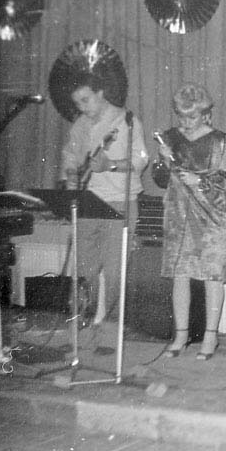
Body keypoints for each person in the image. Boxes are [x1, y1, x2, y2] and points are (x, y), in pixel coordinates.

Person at [154, 83, 226, 360]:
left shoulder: (219, 141)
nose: (186, 122)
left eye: (192, 117)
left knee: (212, 276)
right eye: (181, 116)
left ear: (205, 114)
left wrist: (200, 181)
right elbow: (159, 179)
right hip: (178, 214)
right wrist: (163, 162)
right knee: (180, 275)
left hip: (211, 216)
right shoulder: (170, 137)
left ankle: (210, 338)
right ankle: (181, 336)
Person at [60, 73, 149, 326]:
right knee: (83, 269)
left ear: (100, 93)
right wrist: (71, 176)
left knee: (113, 272)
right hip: (88, 201)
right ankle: (81, 324)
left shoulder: (126, 120)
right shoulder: (80, 124)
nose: (82, 107)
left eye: (85, 100)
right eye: (77, 103)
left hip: (120, 201)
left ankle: (107, 327)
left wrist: (110, 165)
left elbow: (141, 160)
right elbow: (70, 156)